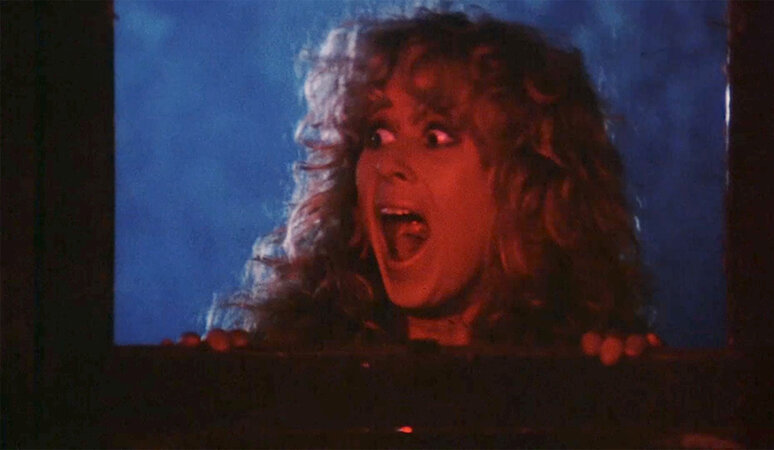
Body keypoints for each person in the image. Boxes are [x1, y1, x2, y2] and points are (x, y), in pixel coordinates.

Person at [199, 9, 657, 364]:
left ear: (529, 185)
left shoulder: (580, 374)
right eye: (377, 136)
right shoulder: (297, 367)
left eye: (436, 136)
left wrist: (631, 401)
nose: (389, 165)